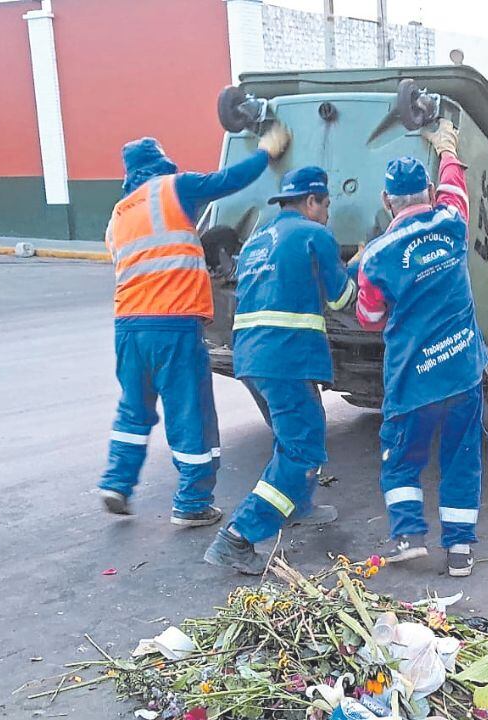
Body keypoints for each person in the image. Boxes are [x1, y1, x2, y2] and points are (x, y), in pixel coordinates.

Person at [98, 123, 291, 526]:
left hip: (128, 326)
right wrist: (265, 153)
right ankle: (192, 502)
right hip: (173, 324)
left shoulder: (118, 216)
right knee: (191, 412)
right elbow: (228, 180)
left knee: (134, 410)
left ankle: (116, 482)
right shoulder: (172, 189)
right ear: (160, 165)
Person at [203, 166, 358, 574]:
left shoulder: (257, 241)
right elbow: (342, 300)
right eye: (325, 205)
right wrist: (358, 264)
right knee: (302, 448)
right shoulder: (315, 235)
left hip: (252, 359)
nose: (327, 213)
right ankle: (238, 537)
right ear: (311, 202)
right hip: (288, 358)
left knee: (295, 436)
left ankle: (299, 504)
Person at [356, 119, 487, 578]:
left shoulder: (377, 255)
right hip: (462, 372)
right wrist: (447, 148)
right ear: (428, 192)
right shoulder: (451, 222)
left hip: (412, 378)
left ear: (386, 200)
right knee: (461, 459)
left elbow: (369, 319)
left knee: (402, 458)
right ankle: (460, 552)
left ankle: (409, 536)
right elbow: (456, 185)